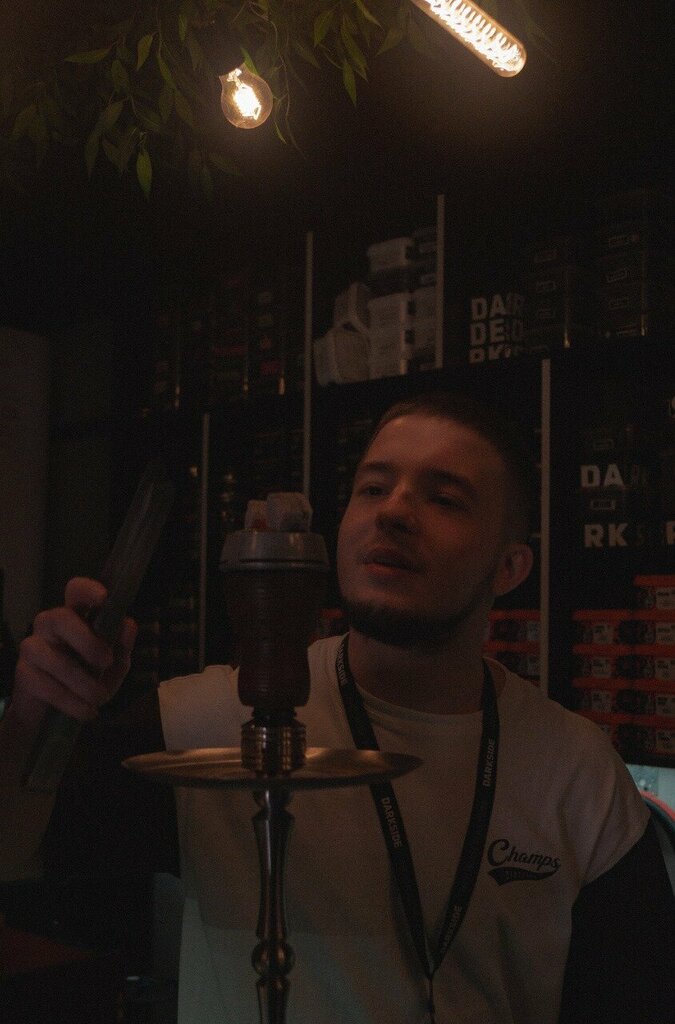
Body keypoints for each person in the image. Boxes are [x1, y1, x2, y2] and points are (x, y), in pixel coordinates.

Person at [1, 391, 673, 1023]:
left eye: (443, 498)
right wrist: (33, 713)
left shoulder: (577, 771)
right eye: (372, 488)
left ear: (510, 568)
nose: (393, 512)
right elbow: (14, 856)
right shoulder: (200, 725)